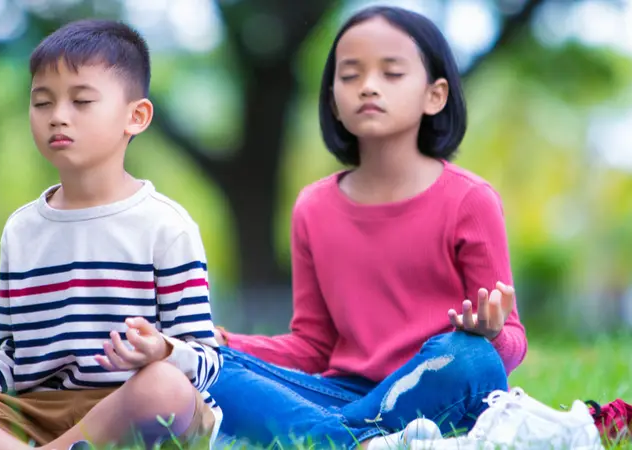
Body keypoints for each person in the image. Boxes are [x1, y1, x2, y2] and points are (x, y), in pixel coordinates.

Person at [0, 19, 222, 450]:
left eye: (81, 101)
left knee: (165, 388)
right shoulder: (22, 231)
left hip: (130, 407)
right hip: (38, 412)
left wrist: (162, 352)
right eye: (42, 103)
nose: (58, 116)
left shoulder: (166, 226)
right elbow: (13, 364)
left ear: (136, 116)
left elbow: (207, 360)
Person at [208, 6, 527, 450]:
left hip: (438, 386)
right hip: (339, 393)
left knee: (470, 357)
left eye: (391, 73)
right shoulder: (313, 207)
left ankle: (326, 437)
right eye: (351, 75)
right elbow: (312, 348)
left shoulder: (470, 201)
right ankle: (361, 440)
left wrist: (491, 335)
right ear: (333, 99)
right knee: (210, 366)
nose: (368, 87)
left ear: (434, 96)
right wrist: (223, 341)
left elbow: (512, 343)